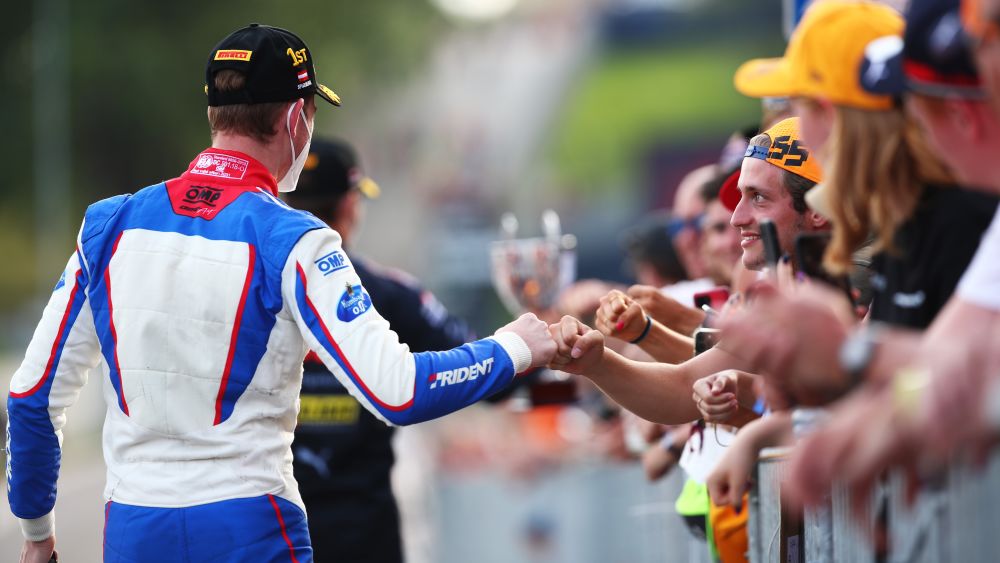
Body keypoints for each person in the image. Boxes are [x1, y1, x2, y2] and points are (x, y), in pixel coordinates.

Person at [5, 24, 555, 563]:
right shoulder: (296, 240)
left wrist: (37, 532)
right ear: (296, 118)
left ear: (214, 114)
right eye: (312, 114)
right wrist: (514, 346)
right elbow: (398, 392)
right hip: (251, 526)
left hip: (133, 530)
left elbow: (31, 397)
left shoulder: (108, 225)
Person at [718, 0, 1000, 506]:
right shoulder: (907, 223)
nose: (795, 133)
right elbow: (937, 374)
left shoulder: (960, 215)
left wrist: (848, 359)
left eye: (797, 109)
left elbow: (964, 378)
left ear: (830, 113)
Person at [550, 117, 829, 428]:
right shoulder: (780, 281)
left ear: (817, 208)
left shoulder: (855, 283)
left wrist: (750, 418)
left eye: (759, 198)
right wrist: (595, 362)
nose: (737, 218)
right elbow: (684, 387)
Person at [282, 137, 476, 562]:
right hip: (363, 534)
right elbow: (473, 363)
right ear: (351, 206)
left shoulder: (249, 288)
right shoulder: (389, 293)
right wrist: (532, 350)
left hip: (272, 531)